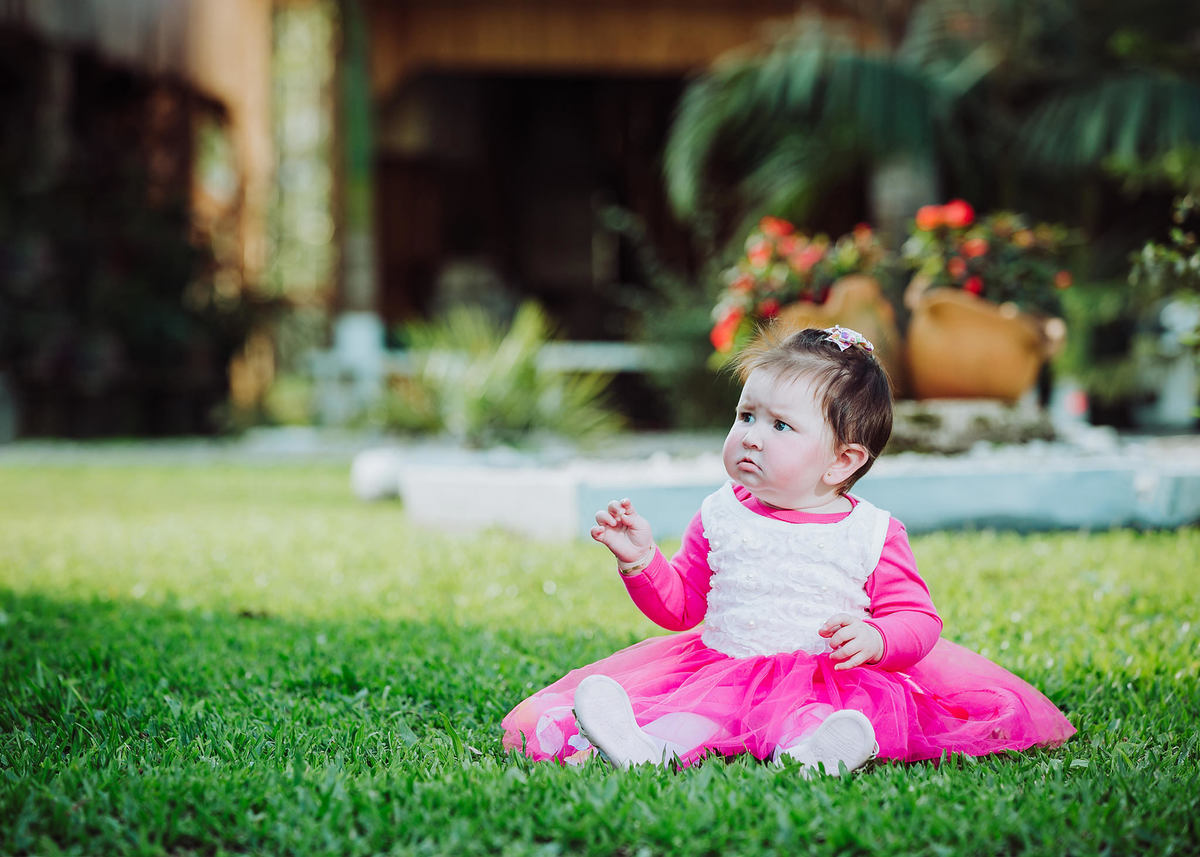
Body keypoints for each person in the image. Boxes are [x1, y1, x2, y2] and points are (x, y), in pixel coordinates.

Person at [501, 325, 1075, 774]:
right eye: (746, 415)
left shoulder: (871, 532)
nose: (751, 434)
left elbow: (918, 619)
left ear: (841, 460)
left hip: (827, 678)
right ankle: (646, 745)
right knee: (694, 715)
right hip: (724, 668)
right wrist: (640, 560)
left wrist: (878, 637)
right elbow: (682, 609)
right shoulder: (721, 512)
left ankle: (817, 756)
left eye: (780, 426)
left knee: (821, 720)